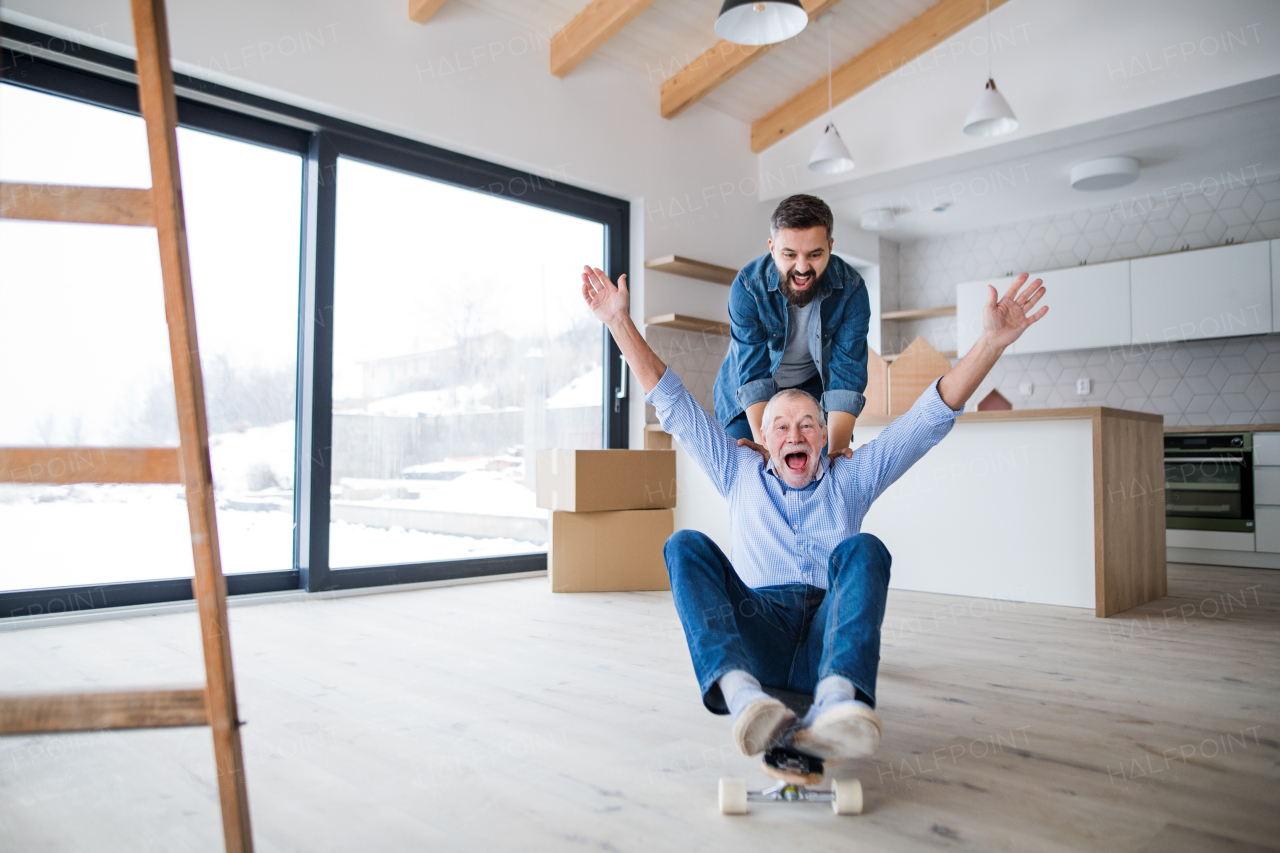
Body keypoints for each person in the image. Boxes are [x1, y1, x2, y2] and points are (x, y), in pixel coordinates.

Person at [580, 264, 1047, 759]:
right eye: (780, 426)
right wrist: (617, 322)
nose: (795, 435)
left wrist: (991, 343)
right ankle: (744, 699)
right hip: (759, 630)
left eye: (808, 424)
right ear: (762, 438)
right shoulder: (738, 470)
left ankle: (835, 704)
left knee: (866, 550)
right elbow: (669, 399)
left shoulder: (853, 475)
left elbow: (929, 417)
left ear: (826, 437)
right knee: (684, 546)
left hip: (829, 635)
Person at [714, 195, 869, 463]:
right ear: (772, 248)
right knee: (754, 474)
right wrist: (767, 448)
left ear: (830, 247)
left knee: (821, 471)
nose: (801, 268)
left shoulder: (852, 290)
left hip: (810, 393)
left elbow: (847, 377)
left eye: (815, 254)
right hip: (747, 400)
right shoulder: (748, 287)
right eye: (789, 255)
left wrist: (834, 456)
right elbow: (754, 376)